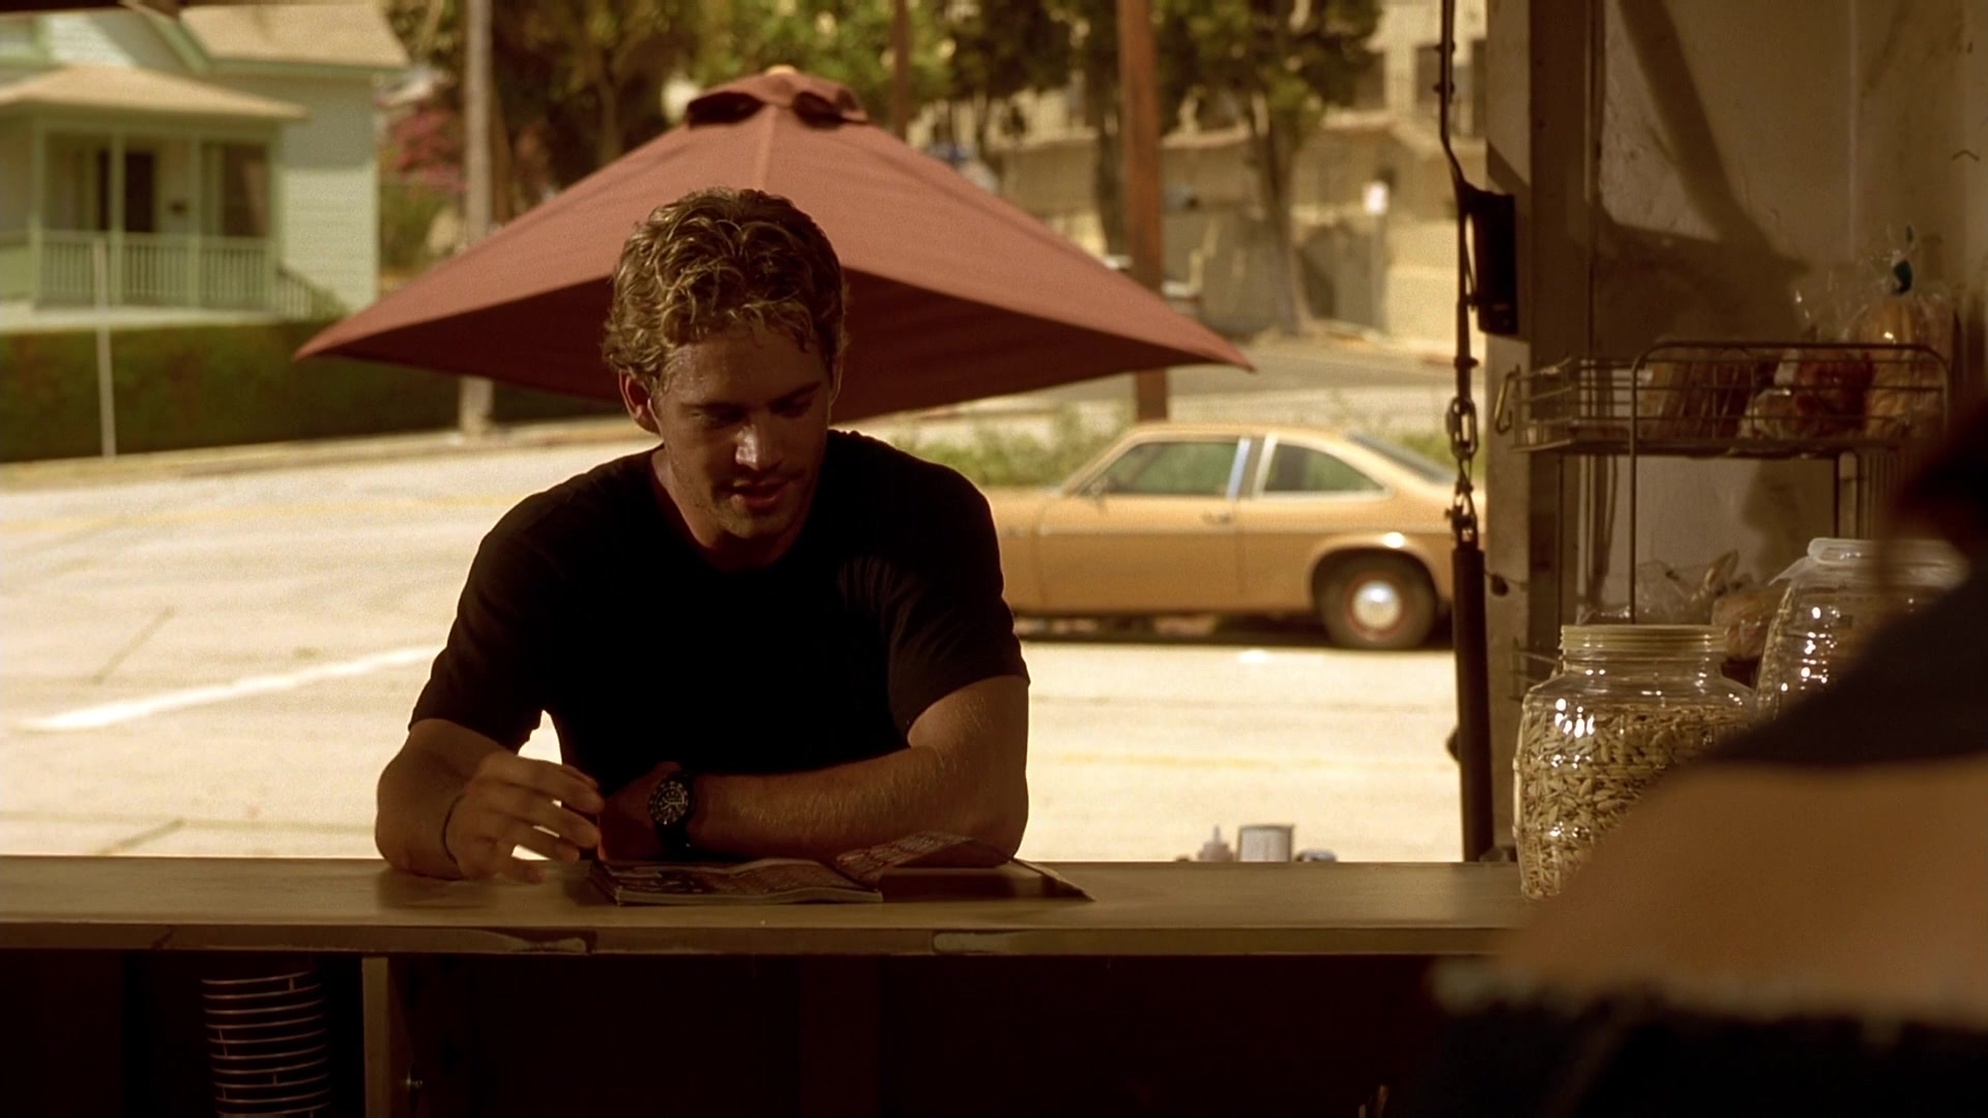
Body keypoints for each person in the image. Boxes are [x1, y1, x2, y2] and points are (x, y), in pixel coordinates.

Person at [374, 187, 1031, 882]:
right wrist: (456, 824)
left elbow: (982, 803)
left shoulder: (918, 517)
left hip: (881, 945)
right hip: (638, 947)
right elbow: (415, 787)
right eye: (720, 417)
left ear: (835, 373)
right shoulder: (555, 549)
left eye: (793, 406)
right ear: (641, 400)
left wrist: (682, 808)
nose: (761, 452)